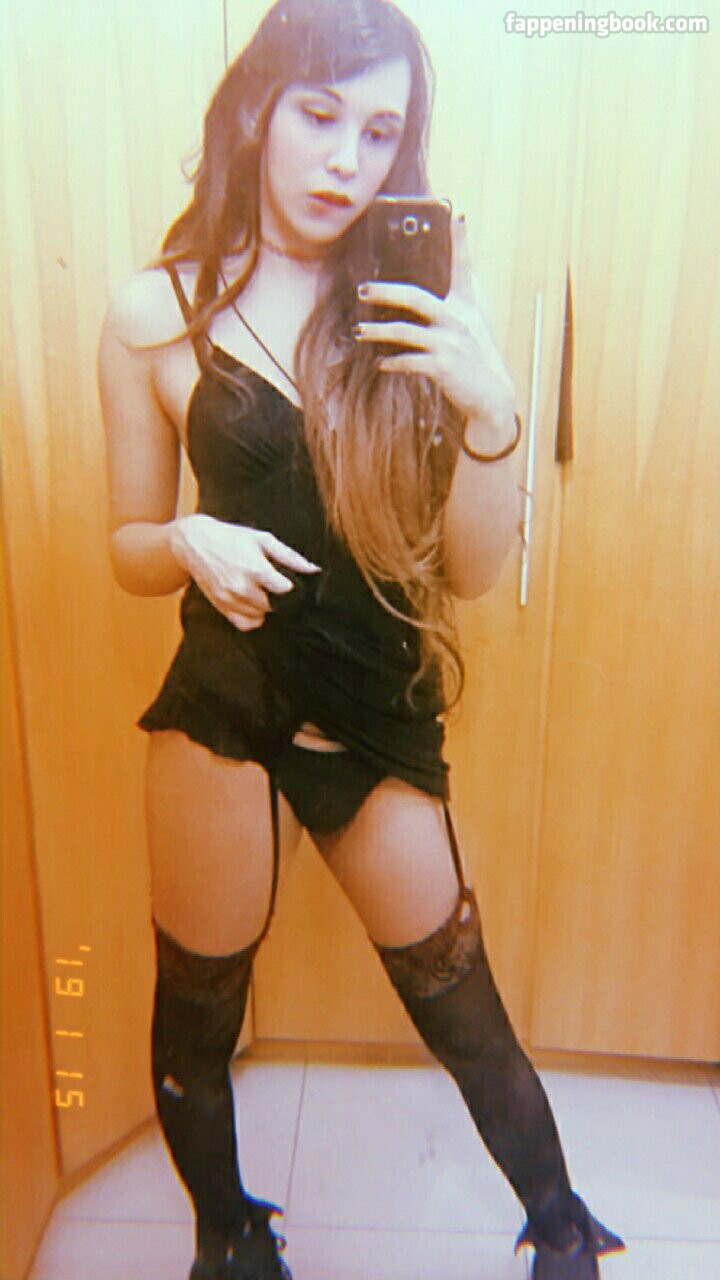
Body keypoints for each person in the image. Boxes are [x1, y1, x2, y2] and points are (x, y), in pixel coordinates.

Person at [98, 2, 626, 1277]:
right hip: (224, 692)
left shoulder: (421, 303)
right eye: (321, 115)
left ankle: (561, 1222)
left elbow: (472, 569)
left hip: (372, 700)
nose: (347, 160)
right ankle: (228, 1238)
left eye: (381, 131)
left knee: (460, 998)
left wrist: (493, 410)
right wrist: (185, 541)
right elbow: (124, 544)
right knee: (198, 1008)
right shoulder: (154, 312)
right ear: (256, 111)